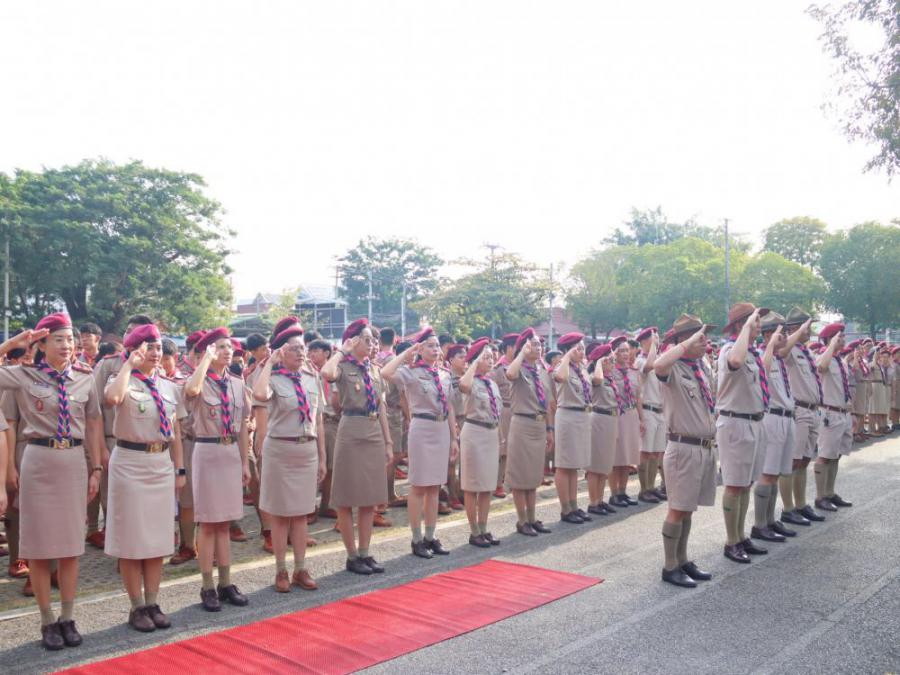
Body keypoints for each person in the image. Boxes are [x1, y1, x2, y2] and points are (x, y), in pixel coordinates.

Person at [0, 314, 103, 650]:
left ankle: (68, 617)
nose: (67, 345)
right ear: (41, 344)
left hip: (73, 462)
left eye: (70, 339)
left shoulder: (84, 378)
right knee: (40, 549)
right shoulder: (24, 374)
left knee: (71, 548)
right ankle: (46, 620)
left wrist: (97, 467)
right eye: (58, 339)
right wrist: (11, 345)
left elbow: (93, 424)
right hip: (39, 462)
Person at [104, 324, 186, 631]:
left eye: (158, 348)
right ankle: (136, 606)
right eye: (148, 347)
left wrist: (180, 469)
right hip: (130, 463)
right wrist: (128, 365)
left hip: (160, 463)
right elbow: (113, 399)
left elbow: (176, 433)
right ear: (133, 350)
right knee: (132, 540)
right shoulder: (120, 378)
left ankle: (152, 602)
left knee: (156, 539)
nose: (155, 353)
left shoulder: (169, 386)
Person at [252, 325, 326, 592]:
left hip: (306, 451)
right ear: (281, 351)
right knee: (281, 515)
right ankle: (281, 570)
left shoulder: (311, 377)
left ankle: (300, 568)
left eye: (302, 348)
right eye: (294, 348)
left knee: (302, 513)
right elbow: (259, 395)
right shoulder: (272, 377)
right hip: (280, 450)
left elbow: (318, 419)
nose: (300, 353)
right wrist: (270, 363)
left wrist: (323, 456)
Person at [184, 327, 252, 612]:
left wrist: (244, 461)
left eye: (229, 347)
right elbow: (191, 391)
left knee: (224, 523)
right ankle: (207, 585)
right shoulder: (198, 380)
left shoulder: (236, 383)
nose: (227, 352)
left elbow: (242, 426)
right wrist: (204, 360)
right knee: (208, 523)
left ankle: (226, 582)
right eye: (220, 347)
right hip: (207, 451)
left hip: (229, 453)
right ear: (208, 352)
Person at [320, 319, 391, 575]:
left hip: (373, 430)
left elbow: (380, 407)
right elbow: (326, 373)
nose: (372, 344)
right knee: (347, 497)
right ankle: (351, 556)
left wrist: (388, 441)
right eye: (366, 339)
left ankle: (365, 552)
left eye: (373, 340)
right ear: (353, 341)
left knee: (369, 498)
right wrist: (342, 351)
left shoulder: (374, 370)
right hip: (351, 429)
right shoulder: (343, 365)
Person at [381, 327, 459, 558]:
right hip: (422, 428)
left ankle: (430, 536)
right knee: (418, 487)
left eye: (437, 346)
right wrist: (407, 354)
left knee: (435, 486)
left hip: (441, 429)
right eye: (429, 346)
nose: (435, 350)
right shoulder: (410, 372)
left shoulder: (444, 374)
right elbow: (385, 372)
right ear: (420, 349)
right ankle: (416, 539)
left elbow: (449, 406)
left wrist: (454, 437)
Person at [653, 315, 717, 587]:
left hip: (703, 447)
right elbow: (658, 365)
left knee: (688, 509)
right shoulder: (674, 367)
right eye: (699, 337)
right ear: (684, 340)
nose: (705, 342)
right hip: (683, 447)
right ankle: (670, 566)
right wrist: (683, 344)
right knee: (678, 509)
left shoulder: (701, 367)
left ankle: (682, 559)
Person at [90, 314, 155, 550]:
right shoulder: (109, 365)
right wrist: (101, 449)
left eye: (138, 333)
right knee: (114, 502)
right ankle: (120, 552)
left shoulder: (155, 367)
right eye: (128, 331)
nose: (130, 336)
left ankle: (142, 550)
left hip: (147, 448)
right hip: (113, 442)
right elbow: (95, 411)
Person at [717, 303, 769, 564]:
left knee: (746, 483)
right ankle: (731, 541)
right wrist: (747, 329)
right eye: (755, 320)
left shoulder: (752, 352)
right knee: (734, 485)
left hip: (753, 422)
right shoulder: (730, 349)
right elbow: (735, 362)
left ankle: (740, 536)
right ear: (741, 324)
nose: (760, 325)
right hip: (735, 423)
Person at [751, 312, 799, 543]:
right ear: (769, 335)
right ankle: (760, 524)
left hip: (786, 417)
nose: (786, 337)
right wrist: (770, 345)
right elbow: (762, 372)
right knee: (767, 473)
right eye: (782, 333)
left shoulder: (780, 359)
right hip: (772, 418)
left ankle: (770, 520)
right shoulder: (764, 356)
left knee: (777, 473)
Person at [505, 328, 556, 536]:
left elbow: (548, 403)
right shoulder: (519, 368)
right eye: (533, 344)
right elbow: (510, 374)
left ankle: (533, 518)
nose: (539, 347)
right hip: (522, 424)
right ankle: (522, 520)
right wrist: (521, 354)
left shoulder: (542, 370)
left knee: (534, 476)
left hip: (539, 425)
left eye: (540, 344)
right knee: (520, 477)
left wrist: (550, 429)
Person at [778, 309, 825, 527]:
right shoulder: (790, 349)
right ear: (796, 328)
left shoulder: (806, 352)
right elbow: (781, 351)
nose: (810, 331)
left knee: (804, 460)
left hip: (812, 410)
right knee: (793, 461)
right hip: (799, 411)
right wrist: (795, 333)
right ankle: (788, 509)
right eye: (807, 326)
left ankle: (800, 504)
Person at [457, 337, 502, 547]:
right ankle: (474, 530)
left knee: (487, 485)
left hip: (491, 434)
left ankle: (484, 527)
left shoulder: (492, 383)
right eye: (486, 357)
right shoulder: (470, 381)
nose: (491, 360)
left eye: (492, 357)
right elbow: (463, 385)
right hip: (474, 433)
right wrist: (474, 363)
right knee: (472, 485)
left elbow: (497, 412)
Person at [169, 330, 206, 565]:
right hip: (187, 441)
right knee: (187, 500)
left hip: (210, 443)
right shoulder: (179, 375)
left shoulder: (215, 374)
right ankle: (187, 545)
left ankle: (207, 545)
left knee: (208, 499)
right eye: (198, 352)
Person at [552, 332, 592, 523]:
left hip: (582, 416)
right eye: (578, 348)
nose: (582, 352)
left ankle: (574, 505)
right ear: (568, 350)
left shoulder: (582, 368)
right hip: (568, 416)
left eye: (583, 348)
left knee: (574, 466)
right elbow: (560, 377)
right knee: (564, 465)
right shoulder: (562, 366)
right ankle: (565, 508)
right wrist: (566, 356)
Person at [813, 323, 854, 512]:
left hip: (843, 413)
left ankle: (830, 493)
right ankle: (820, 496)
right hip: (829, 413)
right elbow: (821, 367)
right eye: (839, 337)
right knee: (824, 456)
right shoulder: (824, 356)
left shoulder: (840, 360)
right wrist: (830, 346)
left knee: (836, 455)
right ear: (830, 339)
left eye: (843, 336)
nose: (843, 340)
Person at [585, 344, 621, 516]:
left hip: (610, 420)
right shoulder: (595, 376)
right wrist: (598, 362)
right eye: (610, 360)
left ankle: (600, 500)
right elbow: (597, 380)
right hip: (599, 419)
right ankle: (593, 502)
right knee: (595, 466)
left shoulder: (610, 379)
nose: (613, 363)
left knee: (604, 465)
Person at [609, 336, 643, 507]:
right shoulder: (610, 372)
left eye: (627, 350)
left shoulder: (634, 372)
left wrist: (642, 419)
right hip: (617, 415)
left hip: (631, 414)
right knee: (617, 458)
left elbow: (638, 397)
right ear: (614, 353)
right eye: (621, 350)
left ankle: (623, 492)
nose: (625, 353)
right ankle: (614, 493)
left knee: (627, 457)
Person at [635, 327, 666, 503]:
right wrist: (654, 347)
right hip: (647, 409)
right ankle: (644, 489)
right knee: (646, 452)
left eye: (658, 338)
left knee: (656, 453)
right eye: (653, 339)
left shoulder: (659, 359)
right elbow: (649, 366)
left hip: (660, 411)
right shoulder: (640, 361)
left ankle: (651, 487)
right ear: (644, 342)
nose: (657, 341)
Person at [491, 333, 519, 499]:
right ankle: (498, 484)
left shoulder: (519, 366)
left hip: (518, 411)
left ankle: (511, 481)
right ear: (509, 348)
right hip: (505, 411)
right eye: (517, 347)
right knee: (503, 450)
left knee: (515, 449)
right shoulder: (498, 369)